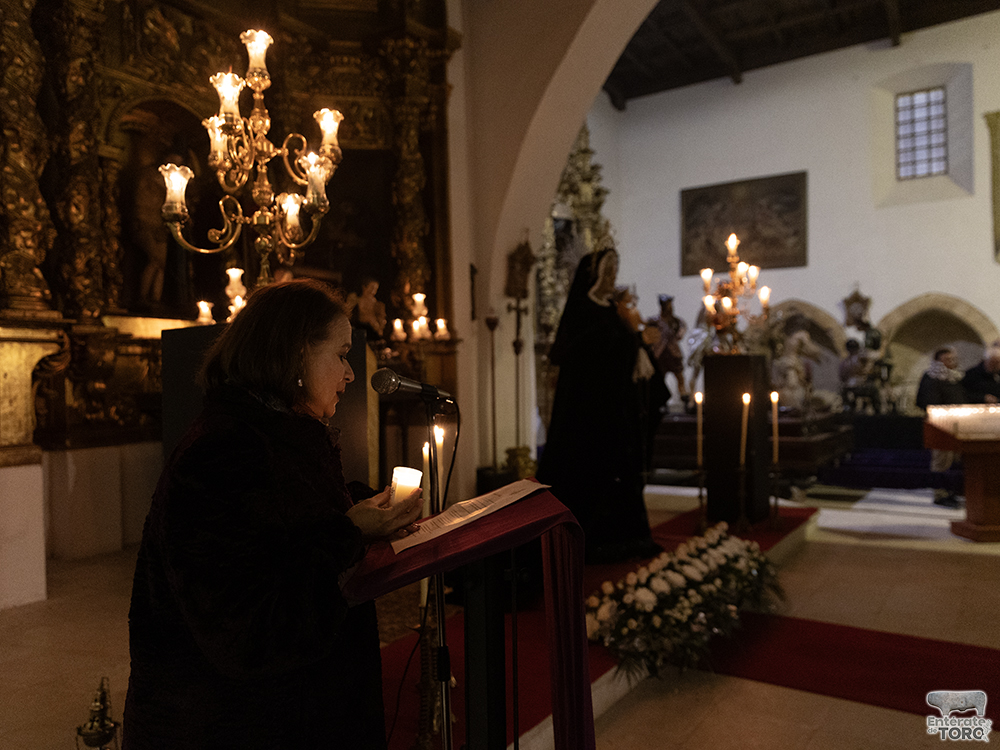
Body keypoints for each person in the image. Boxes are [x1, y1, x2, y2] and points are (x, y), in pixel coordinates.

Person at [122, 279, 423, 749]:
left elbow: (290, 518)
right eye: (341, 355)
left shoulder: (283, 433)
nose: (350, 374)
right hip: (230, 724)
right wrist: (347, 532)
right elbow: (244, 630)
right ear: (298, 354)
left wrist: (359, 507)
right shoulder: (222, 451)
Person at [537, 246, 663, 564]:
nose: (612, 278)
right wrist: (631, 341)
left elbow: (619, 348)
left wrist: (637, 341)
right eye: (607, 272)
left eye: (614, 272)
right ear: (593, 276)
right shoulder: (582, 309)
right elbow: (584, 354)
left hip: (615, 409)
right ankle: (587, 540)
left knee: (620, 473)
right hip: (586, 412)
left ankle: (627, 539)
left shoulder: (610, 310)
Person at [915, 347, 966, 508]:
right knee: (941, 460)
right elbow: (924, 401)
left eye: (953, 359)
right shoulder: (931, 376)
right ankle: (940, 493)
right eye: (947, 359)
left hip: (957, 423)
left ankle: (950, 491)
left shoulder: (956, 377)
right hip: (940, 424)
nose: (952, 362)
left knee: (953, 459)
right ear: (939, 361)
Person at [647, 294, 690, 406]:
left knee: (680, 376)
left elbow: (680, 334)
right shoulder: (654, 322)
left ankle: (683, 397)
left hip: (673, 353)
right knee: (661, 378)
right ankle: (661, 401)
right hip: (660, 353)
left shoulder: (677, 321)